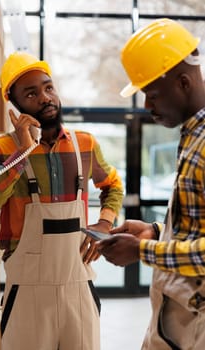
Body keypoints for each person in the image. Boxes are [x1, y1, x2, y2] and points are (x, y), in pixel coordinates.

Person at [0, 52, 123, 350]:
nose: (45, 98)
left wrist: (105, 222)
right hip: (26, 292)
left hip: (78, 285)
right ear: (15, 106)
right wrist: (23, 151)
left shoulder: (85, 144)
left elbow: (113, 186)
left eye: (48, 87)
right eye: (31, 93)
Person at [96, 18, 205, 350]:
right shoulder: (192, 137)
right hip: (178, 320)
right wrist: (155, 232)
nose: (146, 106)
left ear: (183, 83)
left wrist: (142, 250)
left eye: (152, 94)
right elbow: (196, 224)